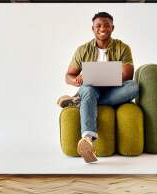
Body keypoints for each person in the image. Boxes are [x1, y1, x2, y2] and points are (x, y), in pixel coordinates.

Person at [58, 12, 139, 163]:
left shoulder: (123, 48)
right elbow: (68, 76)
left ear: (112, 27)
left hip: (113, 90)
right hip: (89, 87)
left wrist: (105, 78)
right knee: (88, 89)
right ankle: (88, 140)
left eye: (106, 25)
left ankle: (79, 101)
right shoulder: (83, 49)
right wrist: (77, 80)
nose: (102, 28)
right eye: (98, 26)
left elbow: (128, 75)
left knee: (133, 87)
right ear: (93, 29)